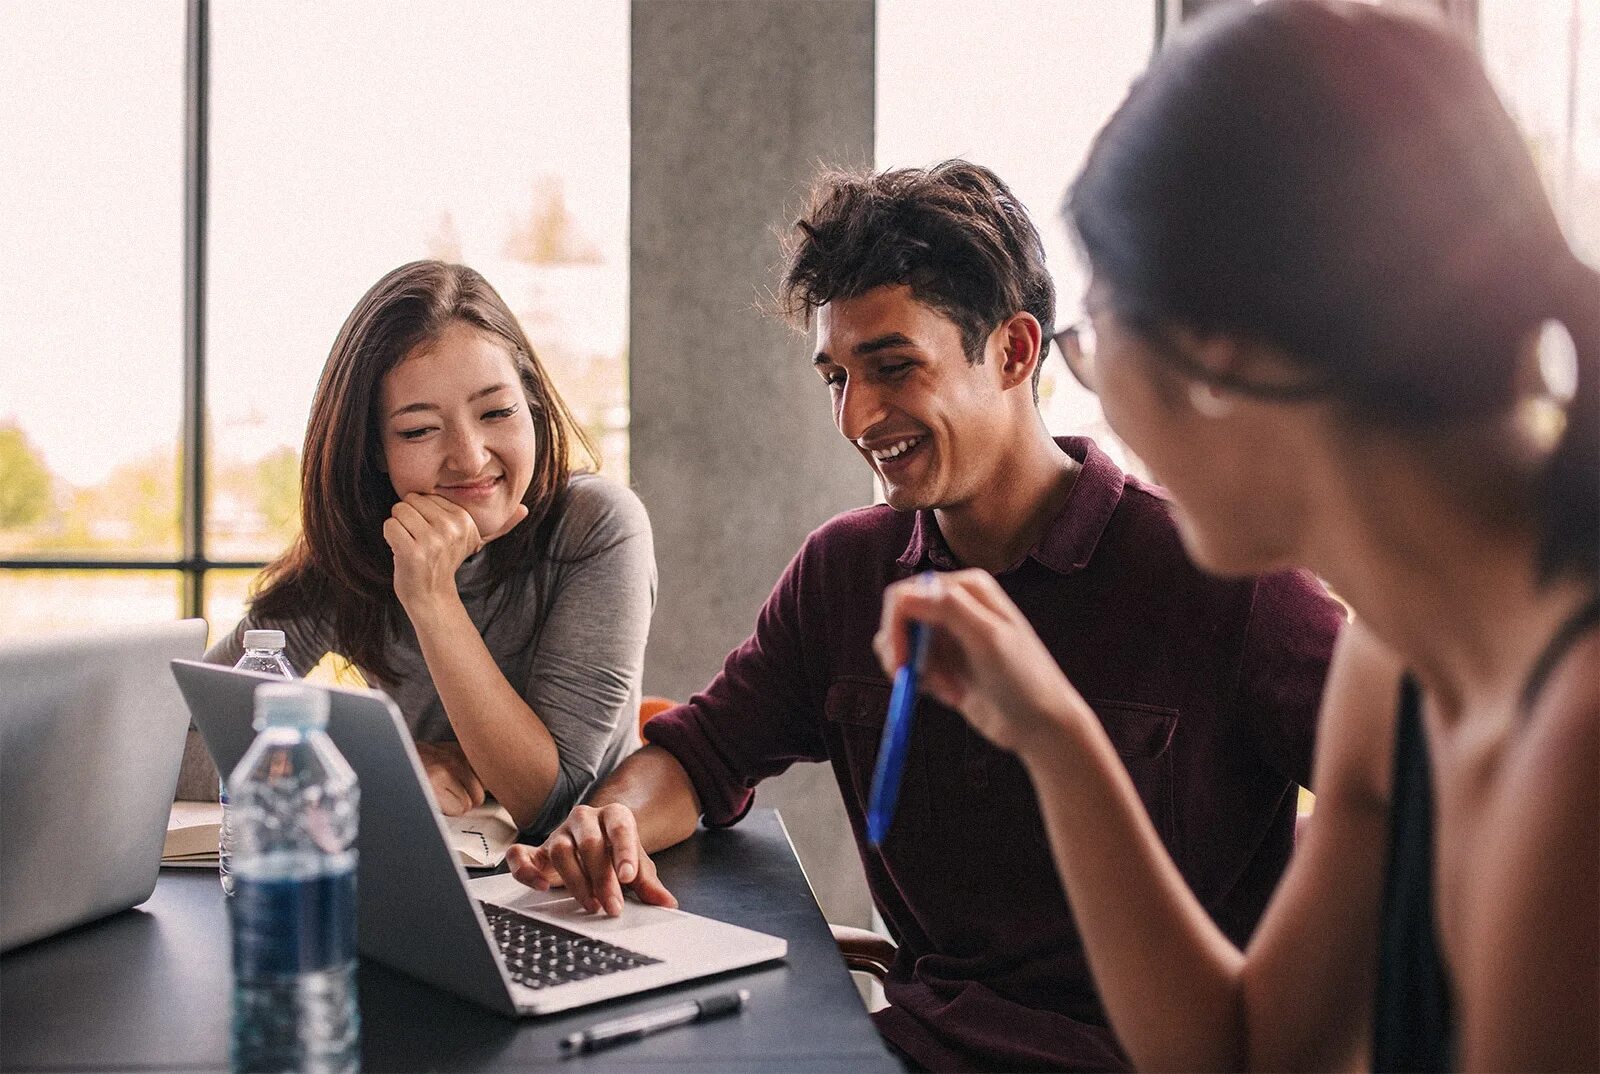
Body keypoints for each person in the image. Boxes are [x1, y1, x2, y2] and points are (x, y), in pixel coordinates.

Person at [876, 4, 1599, 1072]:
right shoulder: (1392, 659)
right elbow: (1250, 1053)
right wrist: (1054, 739)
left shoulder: (1575, 737)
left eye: (1094, 338)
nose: (1101, 404)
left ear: (1222, 357)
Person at [509, 161, 1345, 1071]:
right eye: (836, 377)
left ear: (1015, 352)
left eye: (894, 367)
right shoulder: (846, 571)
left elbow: (1421, 808)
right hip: (908, 1046)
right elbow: (702, 752)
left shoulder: (1223, 581)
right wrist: (613, 819)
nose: (857, 416)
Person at [190, 260, 656, 836]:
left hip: (589, 888)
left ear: (531, 407)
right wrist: (390, 760)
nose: (469, 456)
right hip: (429, 873)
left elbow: (550, 803)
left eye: (497, 412)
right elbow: (174, 745)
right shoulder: (358, 552)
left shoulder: (596, 526)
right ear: (371, 452)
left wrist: (432, 596)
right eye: (418, 430)